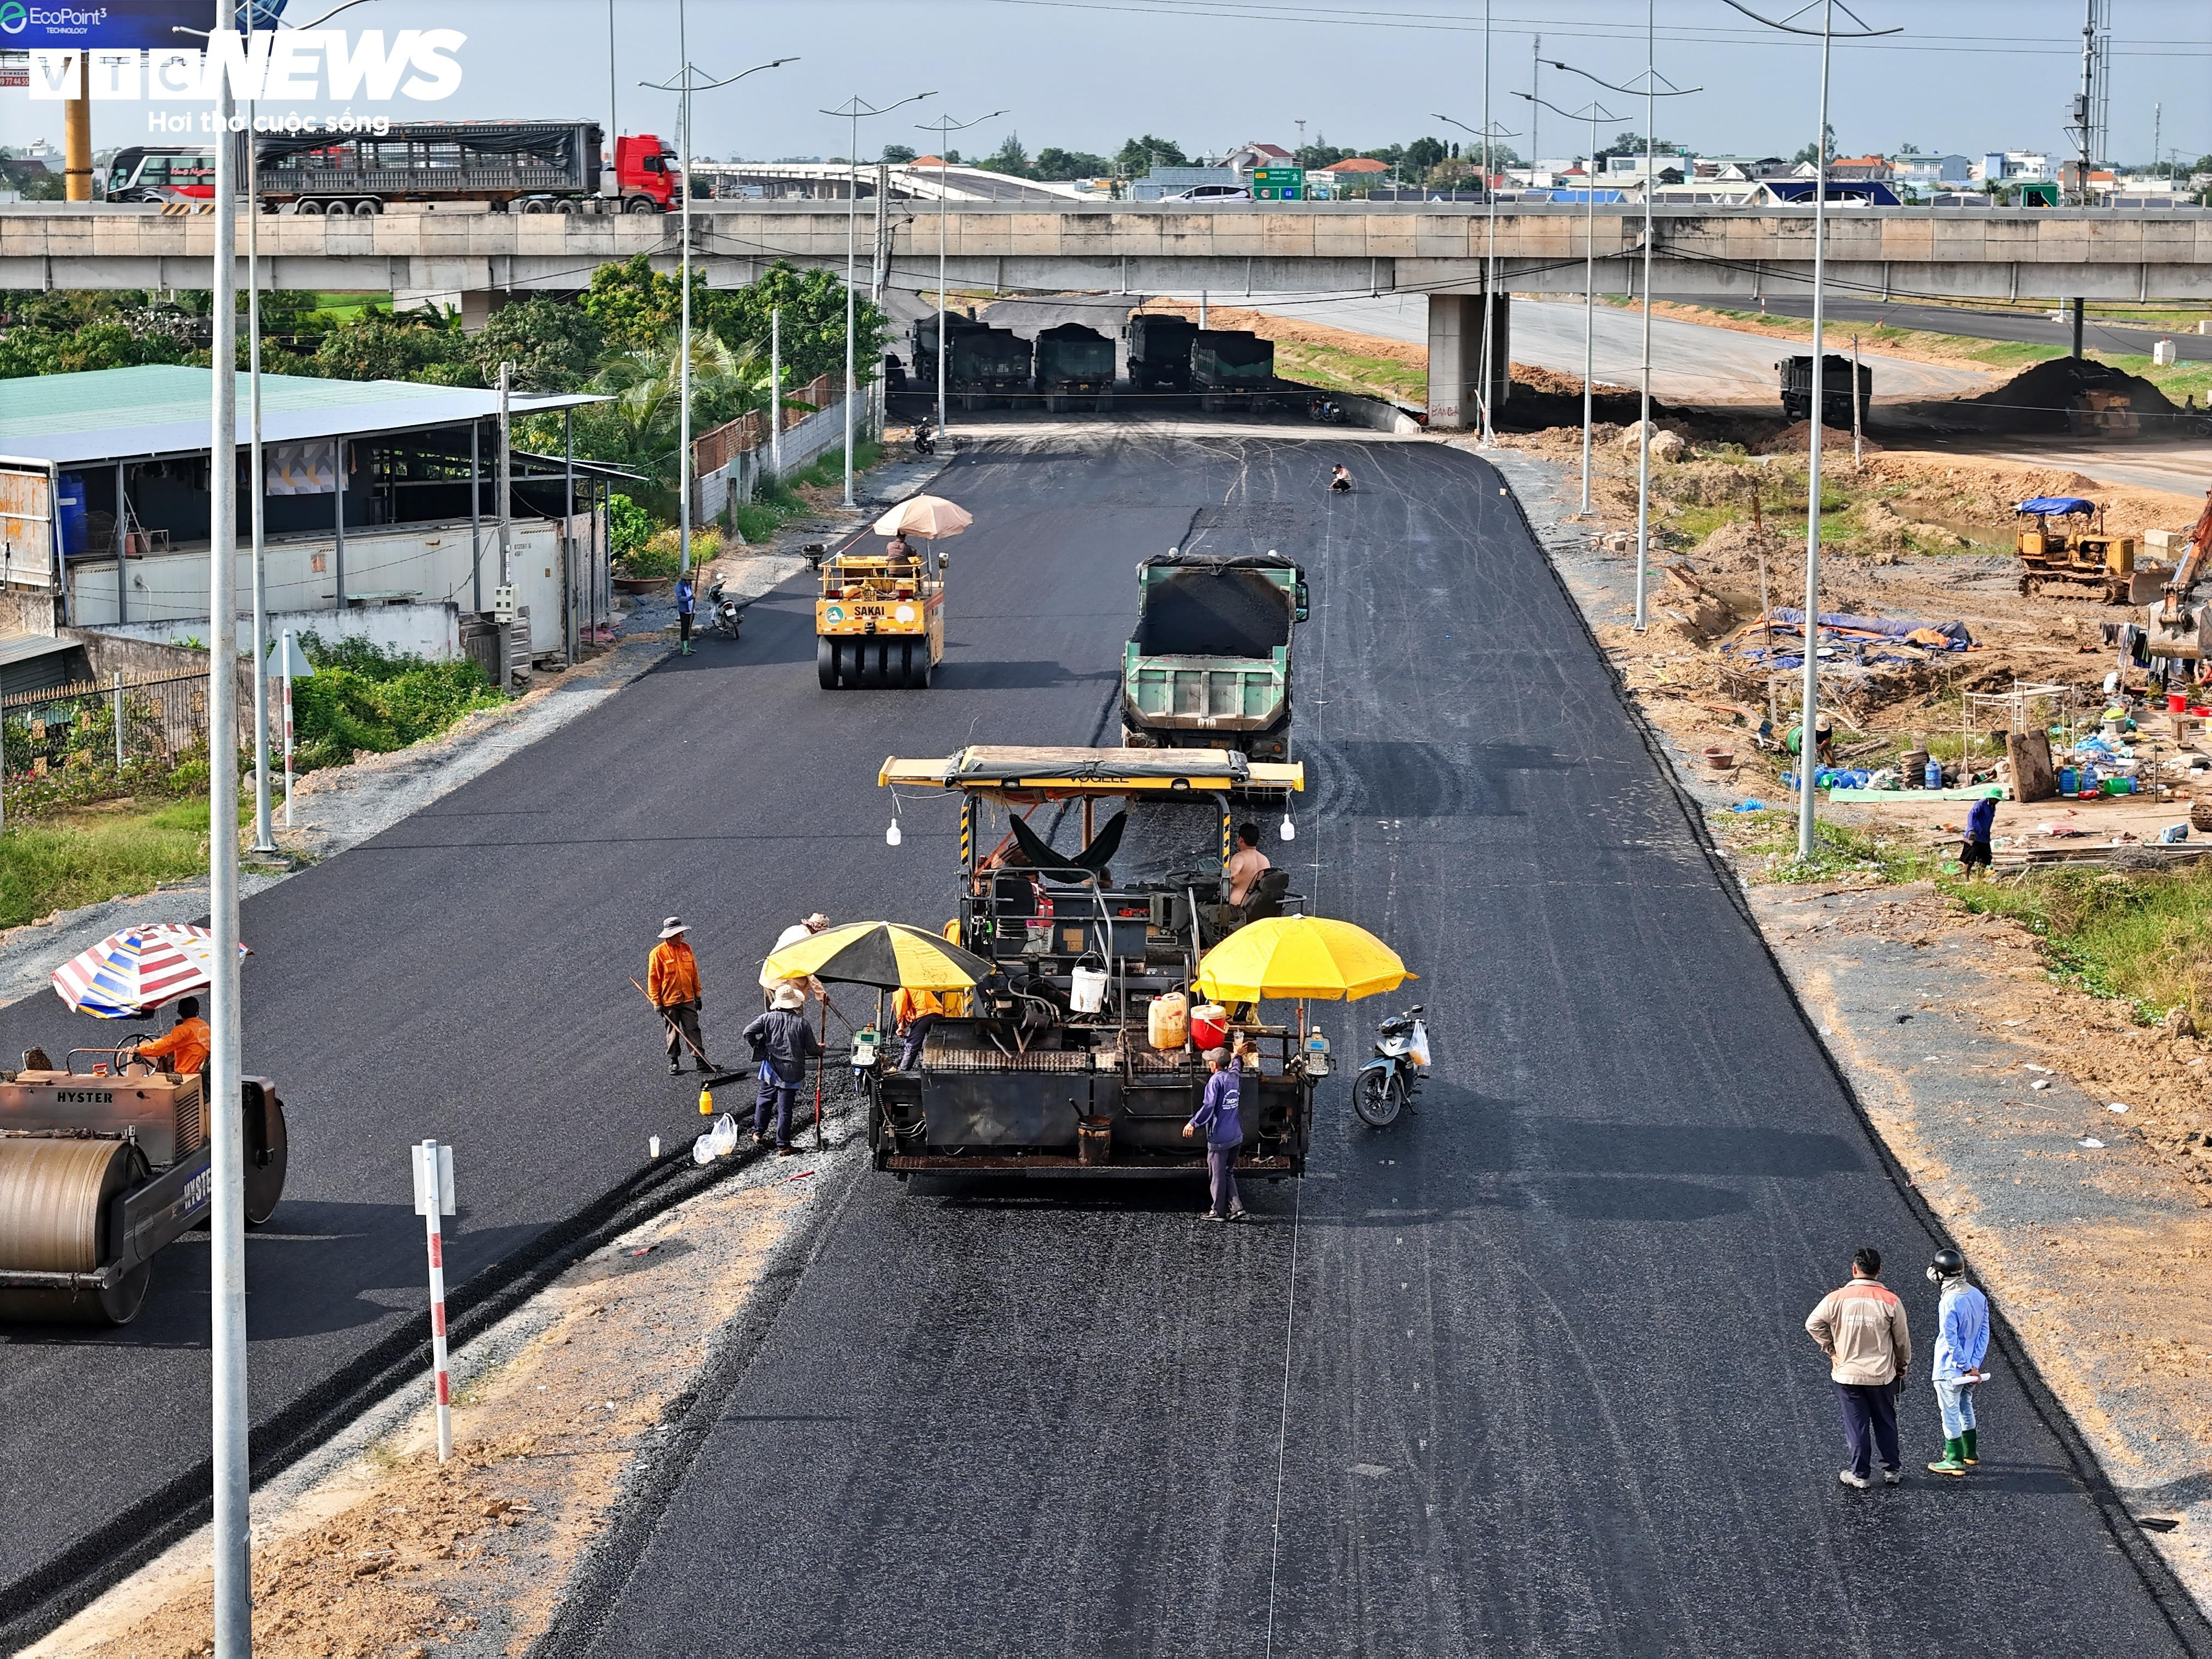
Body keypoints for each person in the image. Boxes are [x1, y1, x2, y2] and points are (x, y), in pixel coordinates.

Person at [1806, 1246, 1912, 1489]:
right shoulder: (1891, 1302)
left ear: (1855, 1270)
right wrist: (1902, 1364)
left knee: (1857, 1425)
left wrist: (1831, 1350)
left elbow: (1813, 1324)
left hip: (1847, 1374)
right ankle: (1892, 1470)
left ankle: (1860, 1474)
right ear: (1879, 1271)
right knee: (1886, 1421)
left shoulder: (1835, 1299)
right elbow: (1902, 1339)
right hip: (1882, 1376)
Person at [1925, 1249, 1990, 1476]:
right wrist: (1974, 1365)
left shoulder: (1949, 1301)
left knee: (1950, 1412)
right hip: (1971, 1368)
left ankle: (1953, 1459)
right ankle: (1970, 1453)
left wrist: (1963, 1366)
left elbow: (1950, 1339)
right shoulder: (1978, 1296)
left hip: (1949, 1369)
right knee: (1966, 1406)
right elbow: (1984, 1334)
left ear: (1941, 1275)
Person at [743, 984, 821, 1154]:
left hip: (770, 1068)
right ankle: (783, 1145)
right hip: (791, 1072)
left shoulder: (767, 1018)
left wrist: (757, 1046)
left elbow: (748, 1032)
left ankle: (757, 1132)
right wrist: (821, 1049)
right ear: (795, 1003)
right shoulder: (802, 1024)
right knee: (784, 1110)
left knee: (764, 1101)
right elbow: (812, 1050)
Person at [1182, 1046, 1246, 1222]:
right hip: (1236, 1136)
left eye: (1210, 1061)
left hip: (1220, 1138)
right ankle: (1237, 1208)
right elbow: (1237, 1066)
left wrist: (1193, 1123)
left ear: (1214, 1065)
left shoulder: (1215, 1082)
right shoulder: (1234, 1077)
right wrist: (1238, 1055)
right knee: (1228, 1172)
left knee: (1217, 1175)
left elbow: (1209, 1107)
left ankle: (1218, 1211)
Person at [648, 917, 711, 1076]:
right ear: (670, 935)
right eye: (679, 933)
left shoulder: (687, 949)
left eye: (682, 933)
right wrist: (656, 1001)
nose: (682, 936)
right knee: (673, 1032)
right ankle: (674, 1061)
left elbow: (694, 973)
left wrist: (698, 995)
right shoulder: (658, 954)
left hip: (688, 998)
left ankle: (700, 1061)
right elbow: (653, 979)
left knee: (693, 1029)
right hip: (669, 1000)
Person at [760, 911, 832, 1008]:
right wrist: (821, 994)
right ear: (816, 930)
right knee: (792, 1018)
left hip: (769, 977)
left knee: (772, 1019)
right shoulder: (809, 942)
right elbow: (810, 972)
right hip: (785, 984)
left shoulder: (793, 929)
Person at [136, 995, 211, 1079]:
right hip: (203, 1073)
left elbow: (165, 1046)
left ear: (179, 1012)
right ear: (197, 1012)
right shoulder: (204, 1026)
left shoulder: (183, 1030)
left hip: (187, 1076)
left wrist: (139, 1051)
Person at [894, 983, 945, 1071]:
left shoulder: (900, 986)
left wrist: (901, 1026)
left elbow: (901, 1002)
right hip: (937, 1012)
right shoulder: (914, 983)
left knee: (912, 1044)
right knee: (927, 1044)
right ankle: (926, 1068)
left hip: (923, 1013)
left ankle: (903, 1069)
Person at [1227, 821, 1272, 909]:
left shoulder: (1240, 857)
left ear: (1241, 839)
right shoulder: (1265, 860)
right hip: (1258, 907)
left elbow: (1231, 875)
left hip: (1238, 908)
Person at [1961, 792, 1997, 880]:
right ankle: (1966, 878)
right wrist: (1971, 830)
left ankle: (1980, 878)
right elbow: (1971, 815)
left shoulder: (1993, 807)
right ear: (1991, 798)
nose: (1997, 802)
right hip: (1974, 835)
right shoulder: (1981, 803)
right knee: (1970, 858)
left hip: (1984, 837)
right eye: (1996, 800)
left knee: (1985, 858)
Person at [674, 573, 696, 657]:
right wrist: (690, 598)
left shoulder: (689, 586)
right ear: (685, 579)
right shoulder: (679, 587)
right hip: (684, 611)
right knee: (685, 629)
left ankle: (688, 646)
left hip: (691, 610)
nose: (690, 582)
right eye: (689, 580)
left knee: (689, 628)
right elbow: (680, 598)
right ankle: (684, 648)